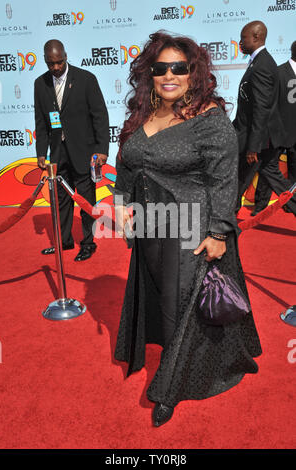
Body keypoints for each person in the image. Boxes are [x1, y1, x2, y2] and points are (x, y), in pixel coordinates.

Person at [112, 31, 262, 427]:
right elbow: (127, 163)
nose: (169, 75)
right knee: (162, 299)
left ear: (194, 73)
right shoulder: (144, 114)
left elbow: (224, 181)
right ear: (150, 74)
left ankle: (169, 388)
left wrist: (218, 232)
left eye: (179, 67)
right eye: (161, 68)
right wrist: (121, 201)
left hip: (191, 231)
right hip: (150, 227)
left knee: (183, 306)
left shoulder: (208, 119)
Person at [34, 40, 110, 261]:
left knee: (86, 200)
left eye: (59, 62)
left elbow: (100, 116)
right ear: (45, 60)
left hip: (84, 151)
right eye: (51, 63)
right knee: (60, 201)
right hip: (58, 153)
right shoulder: (40, 84)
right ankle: (64, 241)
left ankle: (88, 243)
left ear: (66, 56)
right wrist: (41, 152)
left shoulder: (86, 79)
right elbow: (41, 121)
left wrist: (102, 149)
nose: (56, 67)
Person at [233, 21, 296, 216]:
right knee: (273, 179)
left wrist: (253, 146)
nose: (240, 42)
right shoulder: (260, 61)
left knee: (241, 181)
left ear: (256, 37)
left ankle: (225, 225)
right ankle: (227, 222)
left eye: (243, 38)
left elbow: (262, 107)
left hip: (259, 141)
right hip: (261, 139)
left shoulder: (262, 65)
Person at [254, 40, 296, 213]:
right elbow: (270, 104)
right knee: (268, 167)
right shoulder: (279, 72)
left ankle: (290, 203)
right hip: (279, 130)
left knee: (294, 169)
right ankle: (260, 205)